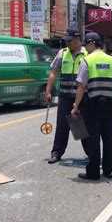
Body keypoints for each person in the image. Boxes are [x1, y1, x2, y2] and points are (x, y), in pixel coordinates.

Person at [71, 32, 112, 180]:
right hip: (109, 105)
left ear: (91, 43)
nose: (85, 47)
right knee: (108, 137)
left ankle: (93, 172)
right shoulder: (111, 60)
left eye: (86, 44)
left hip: (92, 105)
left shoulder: (87, 61)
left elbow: (81, 86)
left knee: (93, 139)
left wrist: (75, 106)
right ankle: (108, 169)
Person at [46, 29, 89, 164]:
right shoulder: (62, 53)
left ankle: (91, 154)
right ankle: (56, 153)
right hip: (64, 96)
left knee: (81, 127)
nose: (67, 43)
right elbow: (53, 72)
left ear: (78, 39)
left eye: (70, 40)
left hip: (81, 97)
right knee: (62, 126)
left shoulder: (87, 54)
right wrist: (48, 91)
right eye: (66, 41)